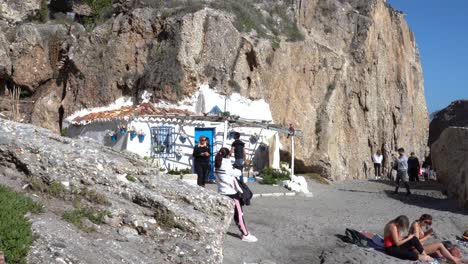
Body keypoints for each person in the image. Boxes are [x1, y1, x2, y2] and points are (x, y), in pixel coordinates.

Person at [215, 147, 257, 242]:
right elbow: (237, 173)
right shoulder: (226, 165)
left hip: (221, 192)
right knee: (239, 215)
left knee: (223, 214)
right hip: (231, 194)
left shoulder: (217, 165)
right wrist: (238, 166)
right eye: (230, 154)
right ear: (227, 155)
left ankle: (218, 231)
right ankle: (245, 234)